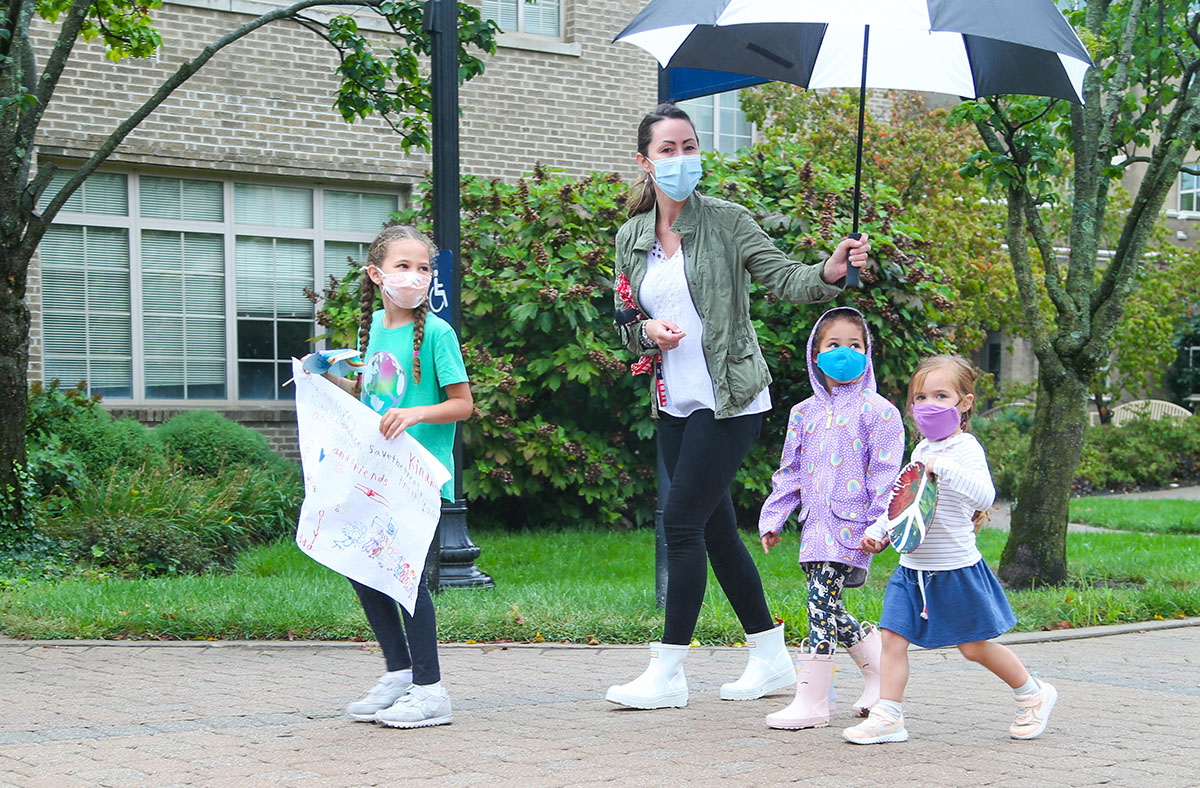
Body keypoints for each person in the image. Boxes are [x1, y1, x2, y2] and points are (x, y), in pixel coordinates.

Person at [606, 103, 872, 710]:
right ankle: (772, 657)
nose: (681, 159)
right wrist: (649, 333)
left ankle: (668, 671)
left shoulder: (726, 221)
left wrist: (830, 269)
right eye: (667, 150)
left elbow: (786, 279)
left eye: (689, 146)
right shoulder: (631, 238)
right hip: (674, 401)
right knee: (717, 530)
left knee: (679, 524)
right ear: (644, 161)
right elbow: (624, 324)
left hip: (732, 399)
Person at [844, 355, 1057, 744]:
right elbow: (903, 503)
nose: (929, 405)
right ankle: (889, 716)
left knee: (974, 648)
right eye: (920, 397)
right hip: (912, 569)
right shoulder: (920, 450)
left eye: (941, 395)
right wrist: (879, 532)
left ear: (965, 402)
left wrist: (945, 468)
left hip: (955, 569)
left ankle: (1033, 693)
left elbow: (985, 495)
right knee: (891, 639)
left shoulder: (965, 448)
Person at [311, 224, 472, 729]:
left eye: (423, 268)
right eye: (404, 266)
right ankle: (401, 674)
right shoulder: (374, 328)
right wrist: (323, 375)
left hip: (418, 478)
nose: (415, 277)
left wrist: (417, 416)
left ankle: (431, 690)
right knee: (363, 567)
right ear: (377, 275)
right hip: (377, 473)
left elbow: (463, 405)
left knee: (405, 580)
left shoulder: (439, 334)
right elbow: (376, 397)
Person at [757, 307, 905, 730]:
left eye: (854, 345)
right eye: (833, 345)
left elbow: (886, 476)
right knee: (830, 604)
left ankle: (813, 700)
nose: (845, 353)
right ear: (815, 355)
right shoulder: (803, 413)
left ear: (868, 352)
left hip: (853, 529)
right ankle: (878, 674)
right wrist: (774, 515)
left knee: (819, 602)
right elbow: (791, 470)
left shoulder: (879, 412)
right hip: (814, 527)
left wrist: (880, 525)